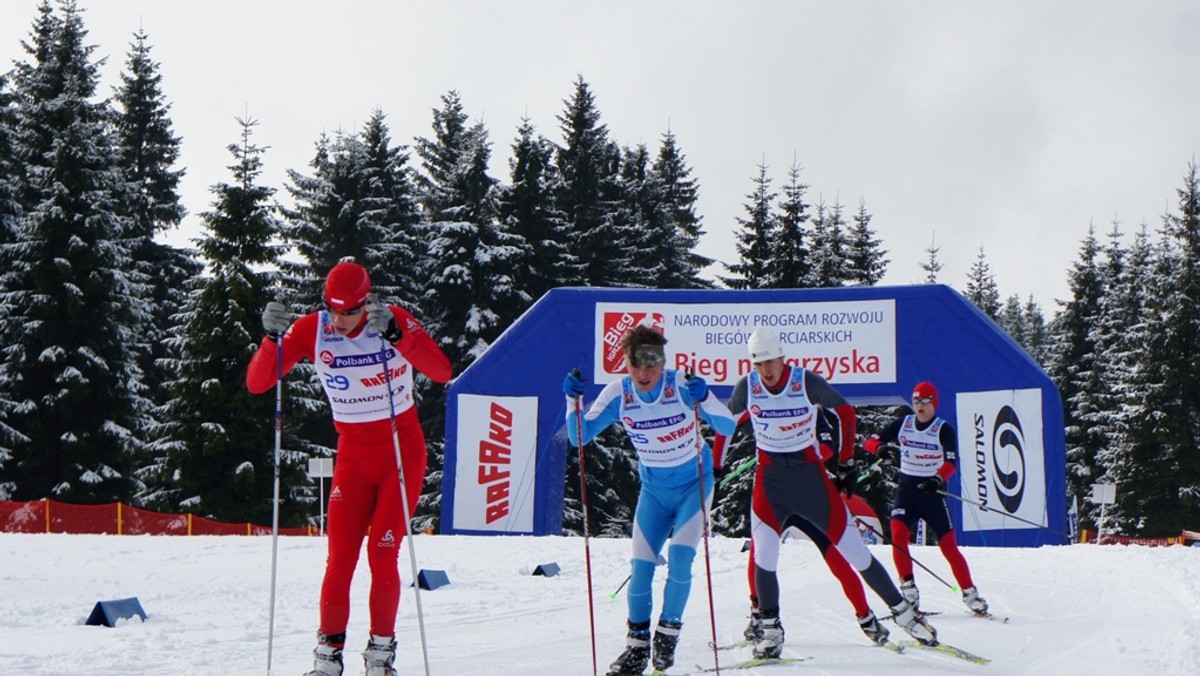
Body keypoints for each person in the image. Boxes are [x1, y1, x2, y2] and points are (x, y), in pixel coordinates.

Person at [246, 260, 452, 676]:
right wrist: (271, 340)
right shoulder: (312, 329)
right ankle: (326, 661)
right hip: (354, 457)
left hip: (400, 452)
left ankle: (380, 658)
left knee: (383, 551)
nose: (339, 321)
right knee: (340, 557)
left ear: (366, 302)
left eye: (350, 311)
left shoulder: (391, 321)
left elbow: (442, 371)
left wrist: (397, 336)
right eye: (332, 309)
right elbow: (258, 383)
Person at [723, 328, 937, 659]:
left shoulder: (805, 381)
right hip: (771, 483)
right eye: (759, 363)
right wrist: (715, 466)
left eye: (771, 361)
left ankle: (904, 614)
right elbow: (724, 424)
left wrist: (847, 461)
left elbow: (845, 412)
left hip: (811, 482)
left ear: (783, 357)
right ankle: (769, 628)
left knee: (855, 553)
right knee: (763, 556)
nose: (766, 370)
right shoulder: (747, 388)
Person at [563, 323, 735, 676]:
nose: (644, 374)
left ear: (663, 362)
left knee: (680, 557)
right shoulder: (619, 394)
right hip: (654, 491)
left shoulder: (681, 386)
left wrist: (704, 398)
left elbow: (728, 426)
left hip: (694, 486)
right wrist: (571, 400)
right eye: (635, 364)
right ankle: (637, 649)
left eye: (651, 364)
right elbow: (579, 437)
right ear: (626, 364)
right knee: (640, 568)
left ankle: (667, 636)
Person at [725, 407, 891, 647]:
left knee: (835, 556)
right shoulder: (764, 403)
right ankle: (759, 615)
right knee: (759, 555)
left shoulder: (810, 408)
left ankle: (866, 617)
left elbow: (827, 445)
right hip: (775, 494)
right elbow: (732, 420)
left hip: (807, 494)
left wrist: (804, 460)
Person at [863, 381, 990, 616]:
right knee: (899, 537)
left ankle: (970, 594)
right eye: (916, 401)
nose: (919, 406)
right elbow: (869, 442)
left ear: (934, 403)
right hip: (907, 491)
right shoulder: (904, 424)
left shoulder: (943, 429)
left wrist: (937, 478)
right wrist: (880, 449)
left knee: (949, 547)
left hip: (932, 493)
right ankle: (909, 591)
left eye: (924, 401)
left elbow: (951, 461)